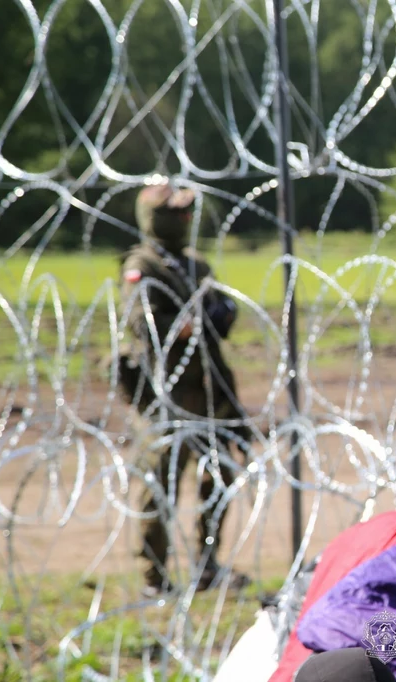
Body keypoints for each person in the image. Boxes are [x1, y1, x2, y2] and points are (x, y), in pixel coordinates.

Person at [118, 180, 252, 597]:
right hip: (167, 391)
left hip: (209, 388)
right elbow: (150, 325)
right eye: (176, 215)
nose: (185, 221)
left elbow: (221, 317)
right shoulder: (143, 264)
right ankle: (154, 578)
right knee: (161, 484)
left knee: (219, 476)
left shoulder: (196, 265)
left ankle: (207, 566)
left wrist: (207, 318)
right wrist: (192, 321)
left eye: (187, 214)